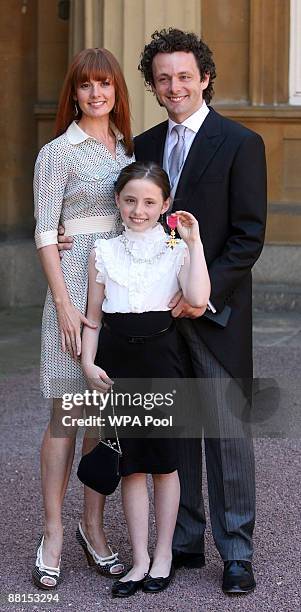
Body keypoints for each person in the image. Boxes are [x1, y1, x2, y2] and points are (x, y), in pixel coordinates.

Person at [133, 28, 267, 594]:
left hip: (216, 315)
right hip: (156, 317)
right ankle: (183, 537)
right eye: (163, 78)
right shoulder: (140, 145)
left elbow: (248, 237)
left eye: (185, 75)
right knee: (176, 428)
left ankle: (236, 550)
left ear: (205, 77)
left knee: (229, 433)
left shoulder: (240, 142)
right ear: (154, 86)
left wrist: (201, 296)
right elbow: (129, 221)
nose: (175, 85)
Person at [81, 160, 211, 598]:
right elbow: (94, 319)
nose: (139, 210)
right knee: (131, 464)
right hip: (118, 365)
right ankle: (138, 560)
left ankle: (163, 555)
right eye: (131, 200)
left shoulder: (175, 248)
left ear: (165, 205)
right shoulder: (104, 251)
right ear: (118, 201)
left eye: (150, 202)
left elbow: (196, 297)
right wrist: (87, 363)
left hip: (163, 362)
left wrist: (193, 242)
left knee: (165, 463)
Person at [33, 47, 134, 589]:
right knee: (67, 417)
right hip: (71, 291)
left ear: (118, 92)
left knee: (102, 418)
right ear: (73, 92)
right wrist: (66, 307)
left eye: (105, 85)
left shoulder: (127, 154)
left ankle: (91, 527)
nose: (96, 94)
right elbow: (46, 233)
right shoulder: (57, 153)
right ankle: (52, 531)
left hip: (116, 294)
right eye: (86, 85)